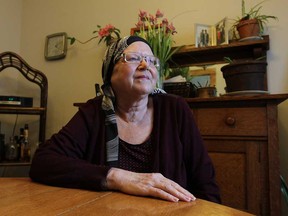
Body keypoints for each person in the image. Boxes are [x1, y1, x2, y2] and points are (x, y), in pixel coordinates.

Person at [30, 35, 221, 203]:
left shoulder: (175, 109)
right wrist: (117, 178)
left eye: (150, 60)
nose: (145, 65)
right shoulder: (94, 112)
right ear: (110, 72)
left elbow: (205, 183)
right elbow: (43, 162)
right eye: (134, 58)